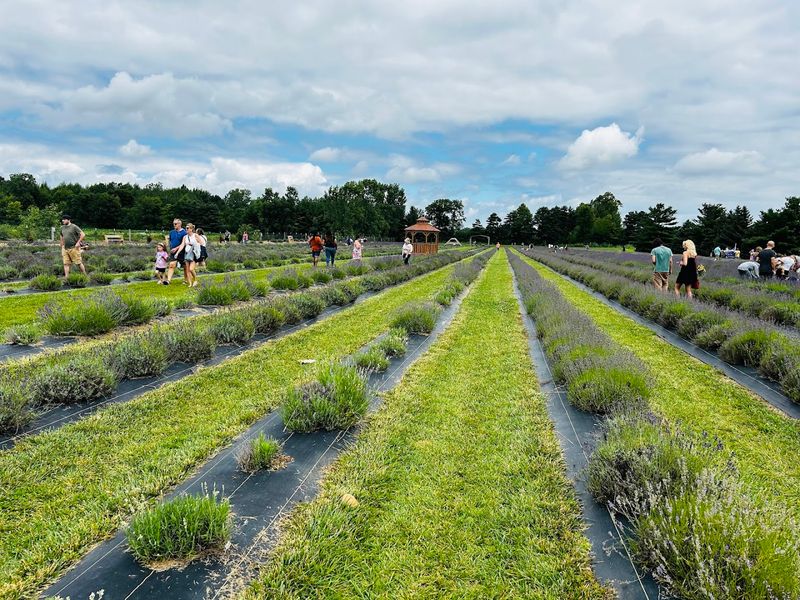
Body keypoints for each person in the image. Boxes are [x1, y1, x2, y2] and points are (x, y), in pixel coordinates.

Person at [166, 218, 187, 285]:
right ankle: (168, 281)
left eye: (175, 224)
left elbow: (184, 243)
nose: (174, 225)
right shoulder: (171, 232)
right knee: (172, 265)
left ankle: (185, 280)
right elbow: (170, 240)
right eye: (173, 224)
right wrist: (169, 247)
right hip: (173, 252)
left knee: (185, 266)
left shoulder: (184, 232)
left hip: (182, 252)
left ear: (179, 224)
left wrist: (176, 248)